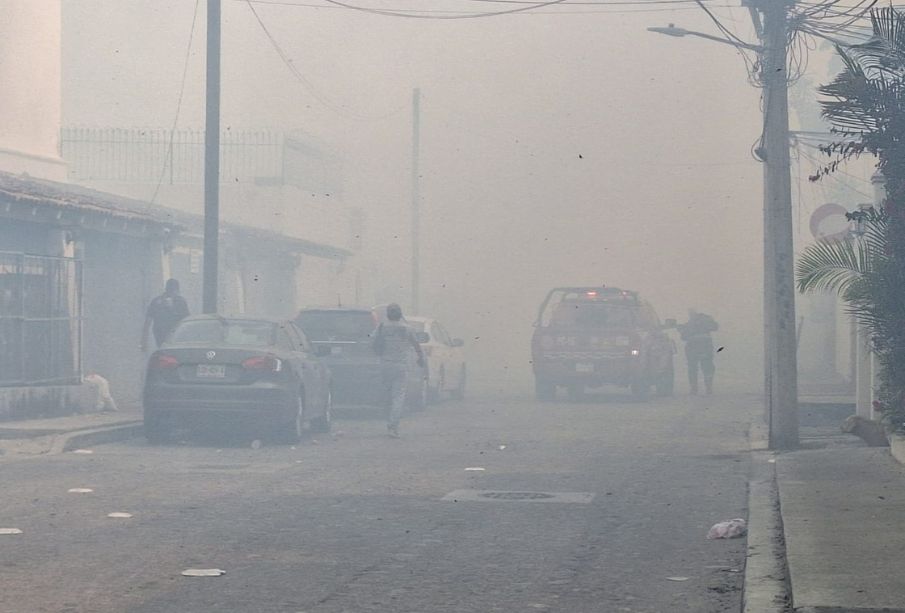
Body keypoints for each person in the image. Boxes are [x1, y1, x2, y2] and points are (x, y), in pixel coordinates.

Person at [372, 303, 425, 438]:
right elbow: (417, 345)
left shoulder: (382, 327)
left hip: (385, 365)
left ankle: (387, 418)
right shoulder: (408, 329)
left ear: (388, 314)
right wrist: (421, 358)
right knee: (398, 396)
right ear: (400, 314)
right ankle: (393, 425)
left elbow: (373, 341)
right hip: (401, 366)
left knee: (386, 394)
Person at [677, 309, 719, 395]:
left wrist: (681, 330)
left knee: (693, 368)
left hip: (693, 347)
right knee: (707, 367)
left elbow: (684, 337)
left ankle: (694, 389)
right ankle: (708, 388)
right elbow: (715, 327)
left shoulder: (689, 324)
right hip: (706, 346)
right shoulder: (706, 321)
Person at [141, 279, 190, 351]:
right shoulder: (180, 301)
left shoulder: (157, 301)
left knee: (165, 352)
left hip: (164, 333)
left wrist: (144, 340)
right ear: (176, 290)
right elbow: (187, 319)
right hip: (167, 334)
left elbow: (147, 322)